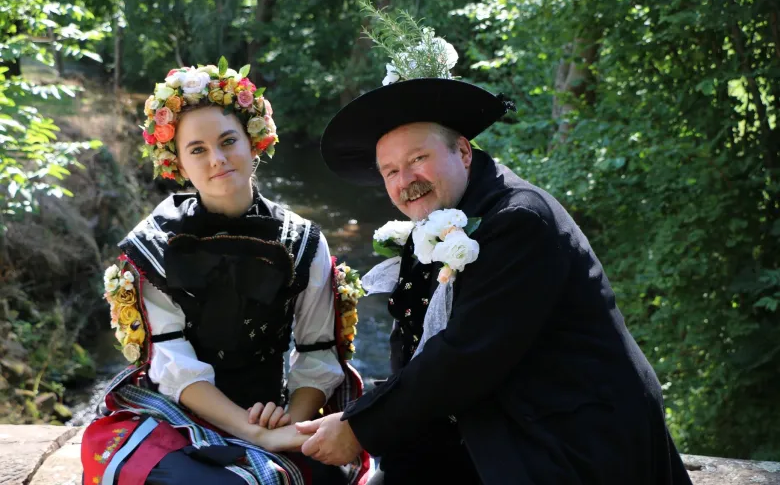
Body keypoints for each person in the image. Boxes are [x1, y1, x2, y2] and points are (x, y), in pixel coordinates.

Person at [296, 27, 694, 485]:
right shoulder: (432, 227)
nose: (406, 180)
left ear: (463, 152)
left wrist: (359, 428)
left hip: (576, 439)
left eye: (418, 158)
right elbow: (413, 355)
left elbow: (467, 354)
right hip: (496, 425)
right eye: (391, 171)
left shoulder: (520, 220)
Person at [80, 59, 368, 485]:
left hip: (275, 412)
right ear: (176, 162)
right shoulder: (154, 244)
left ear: (254, 142)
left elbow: (317, 352)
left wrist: (290, 425)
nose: (217, 159)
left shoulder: (304, 241)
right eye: (197, 149)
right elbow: (174, 366)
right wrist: (252, 432)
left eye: (228, 141)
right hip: (178, 415)